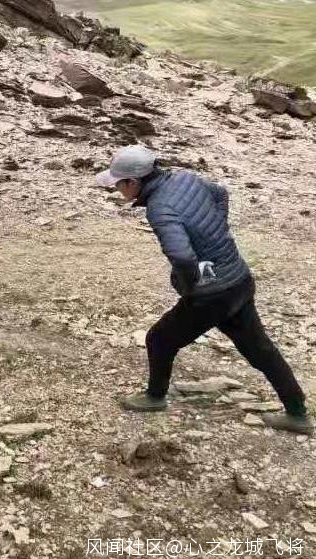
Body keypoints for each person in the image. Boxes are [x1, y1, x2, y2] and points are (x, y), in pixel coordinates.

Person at [96, 145, 312, 435]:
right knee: (260, 350)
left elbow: (183, 257)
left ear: (132, 182)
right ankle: (297, 414)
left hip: (212, 296)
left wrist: (189, 288)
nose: (116, 190)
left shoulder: (159, 209)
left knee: (159, 339)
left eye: (117, 184)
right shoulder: (184, 177)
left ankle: (155, 398)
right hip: (239, 280)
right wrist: (216, 233)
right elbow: (221, 193)